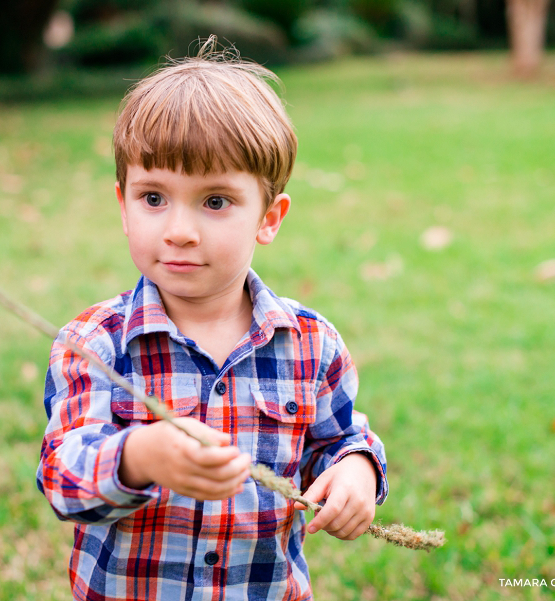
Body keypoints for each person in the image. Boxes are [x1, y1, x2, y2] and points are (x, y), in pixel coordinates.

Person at [36, 40, 388, 600]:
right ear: (122, 205)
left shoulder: (311, 344)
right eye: (153, 197)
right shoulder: (94, 342)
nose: (179, 229)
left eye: (215, 201)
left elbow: (342, 438)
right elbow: (64, 481)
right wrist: (141, 455)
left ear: (269, 218)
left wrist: (356, 472)